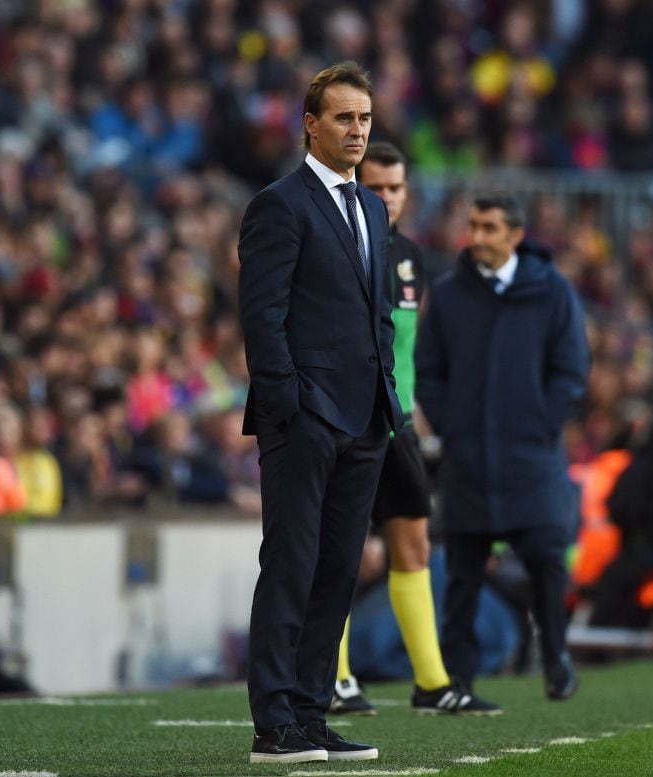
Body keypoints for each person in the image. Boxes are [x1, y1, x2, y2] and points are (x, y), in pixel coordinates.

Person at [237, 61, 402, 765]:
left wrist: (385, 392)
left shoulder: (370, 207)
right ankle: (273, 720)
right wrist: (289, 405)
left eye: (364, 118)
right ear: (311, 124)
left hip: (364, 417)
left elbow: (377, 314)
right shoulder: (280, 203)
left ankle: (310, 711)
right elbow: (261, 314)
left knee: (337, 568)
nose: (358, 130)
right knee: (292, 564)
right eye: (344, 117)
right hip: (305, 417)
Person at [329, 142, 499, 716]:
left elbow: (404, 349)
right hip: (345, 418)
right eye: (375, 187)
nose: (386, 197)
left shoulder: (410, 258)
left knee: (414, 545)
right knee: (341, 549)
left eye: (395, 188)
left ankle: (431, 682)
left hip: (395, 419)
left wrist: (418, 412)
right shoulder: (336, 247)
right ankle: (335, 677)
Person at [415, 193, 590, 705]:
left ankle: (556, 659)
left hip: (530, 460)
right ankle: (459, 679)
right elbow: (428, 371)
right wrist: (453, 426)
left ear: (515, 235)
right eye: (473, 226)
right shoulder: (448, 295)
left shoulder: (553, 292)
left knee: (547, 565)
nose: (478, 237)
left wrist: (541, 424)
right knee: (462, 576)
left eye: (490, 228)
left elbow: (572, 370)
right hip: (469, 459)